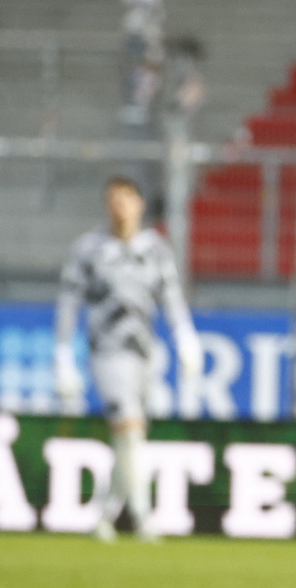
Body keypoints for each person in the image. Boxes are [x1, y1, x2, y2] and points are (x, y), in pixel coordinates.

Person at [55, 176, 202, 542]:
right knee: (130, 429)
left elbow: (171, 298)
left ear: (139, 204)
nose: (119, 208)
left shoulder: (155, 249)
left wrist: (185, 338)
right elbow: (69, 303)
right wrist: (63, 354)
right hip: (107, 352)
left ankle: (104, 516)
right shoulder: (89, 249)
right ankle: (141, 517)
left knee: (130, 441)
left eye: (126, 199)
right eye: (113, 201)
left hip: (145, 353)